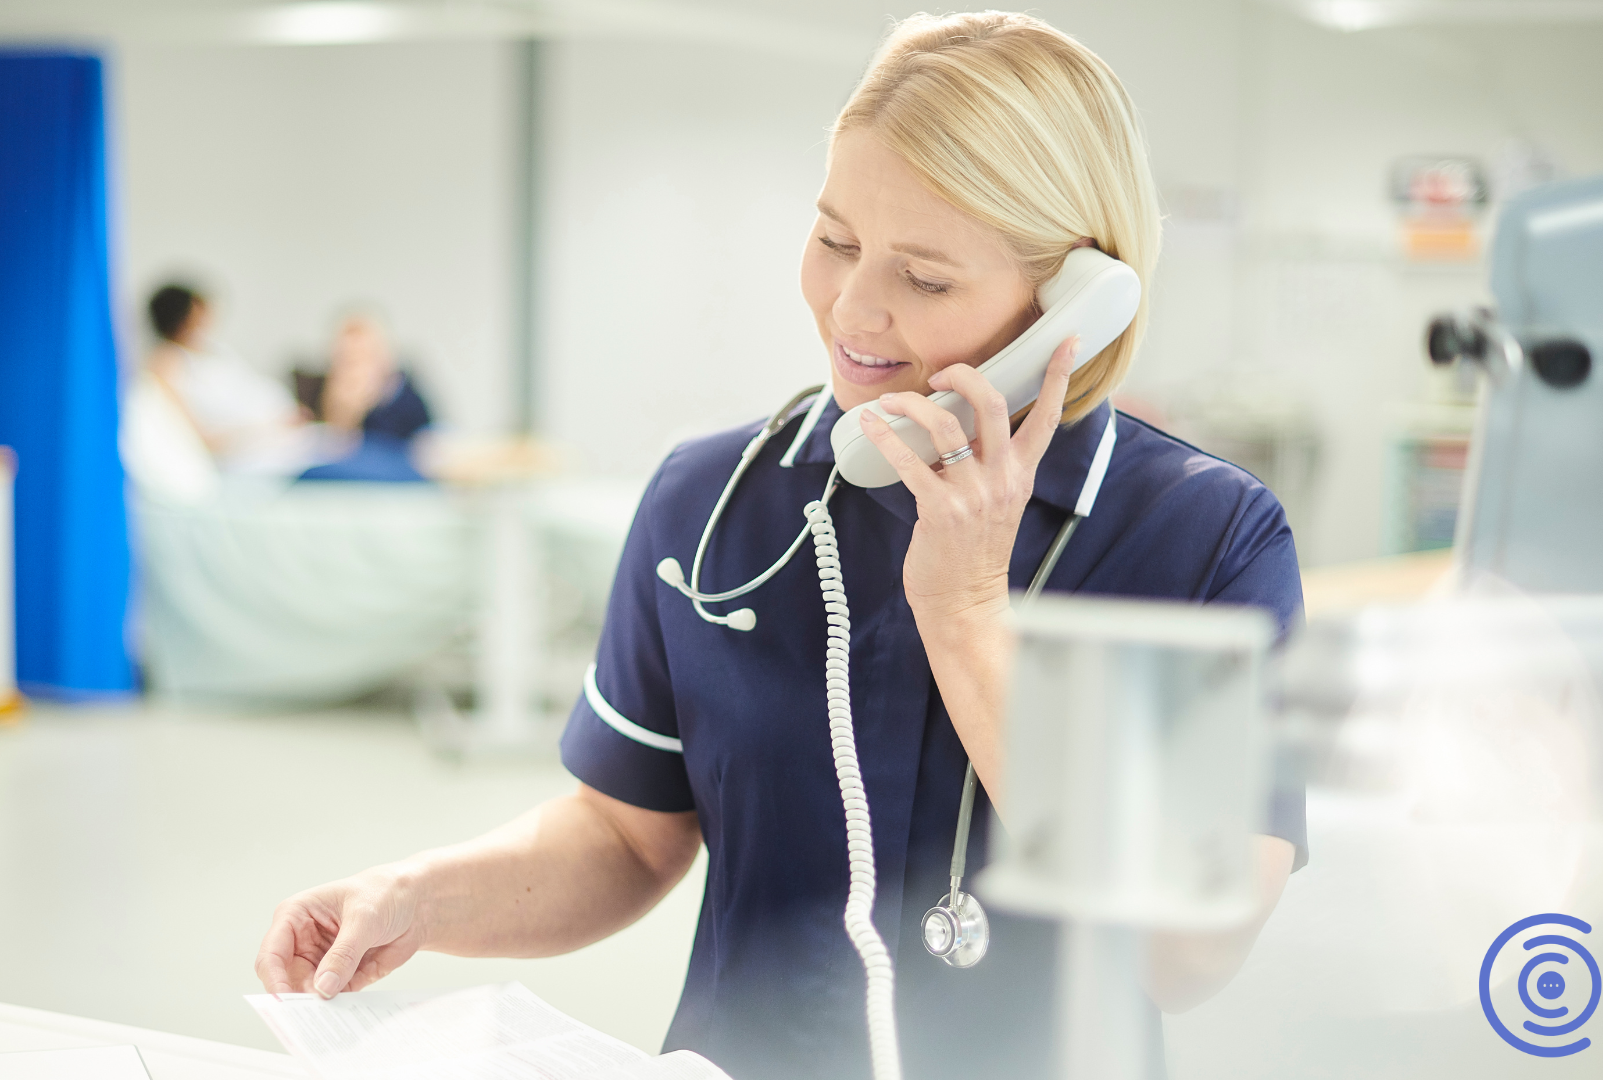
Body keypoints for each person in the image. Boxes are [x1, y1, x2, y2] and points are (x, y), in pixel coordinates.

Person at [255, 14, 1306, 1080]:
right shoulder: (711, 502)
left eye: (925, 278)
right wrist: (421, 897)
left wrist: (969, 618)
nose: (852, 308)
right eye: (836, 240)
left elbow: (1188, 954)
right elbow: (625, 834)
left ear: (1078, 302)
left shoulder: (1204, 536)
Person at [142, 284, 329, 477]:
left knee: (339, 447)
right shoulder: (166, 361)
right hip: (252, 455)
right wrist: (267, 429)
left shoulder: (214, 351)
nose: (206, 319)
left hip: (286, 437)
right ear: (183, 317)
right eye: (199, 312)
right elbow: (202, 439)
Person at [297, 310, 435, 483]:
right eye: (347, 359)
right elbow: (328, 450)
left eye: (365, 356)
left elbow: (427, 447)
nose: (356, 369)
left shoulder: (407, 398)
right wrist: (343, 409)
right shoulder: (312, 393)